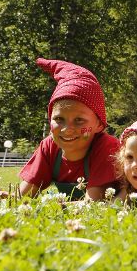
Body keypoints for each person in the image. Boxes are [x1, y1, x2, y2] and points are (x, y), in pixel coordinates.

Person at [18, 58, 119, 200]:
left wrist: (50, 207)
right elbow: (25, 196)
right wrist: (7, 198)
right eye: (59, 119)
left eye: (79, 120)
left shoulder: (107, 147)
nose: (67, 129)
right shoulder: (49, 147)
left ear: (99, 124)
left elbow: (93, 203)